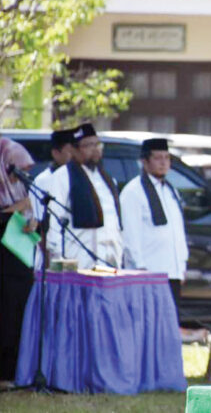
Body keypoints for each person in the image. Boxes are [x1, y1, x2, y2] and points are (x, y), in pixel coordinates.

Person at [0, 118, 38, 381]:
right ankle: (2, 370)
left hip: (21, 259)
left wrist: (32, 217)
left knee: (20, 315)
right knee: (4, 315)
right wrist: (17, 209)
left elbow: (32, 214)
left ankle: (19, 368)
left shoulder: (18, 185)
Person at [120, 138, 188, 314]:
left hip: (171, 272)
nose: (164, 162)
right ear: (144, 161)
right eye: (158, 158)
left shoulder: (171, 190)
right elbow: (129, 235)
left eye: (167, 157)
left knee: (169, 323)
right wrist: (139, 267)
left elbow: (177, 232)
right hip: (147, 272)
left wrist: (181, 266)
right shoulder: (133, 192)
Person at [47, 123, 124, 269]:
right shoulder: (63, 177)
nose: (95, 149)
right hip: (79, 258)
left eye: (97, 144)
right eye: (88, 145)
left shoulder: (107, 179)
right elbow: (55, 220)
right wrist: (58, 258)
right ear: (73, 150)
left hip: (109, 257)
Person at [30, 129, 75, 269]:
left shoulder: (77, 178)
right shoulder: (43, 181)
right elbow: (40, 225)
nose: (73, 156)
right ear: (56, 153)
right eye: (69, 151)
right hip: (52, 257)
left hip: (73, 252)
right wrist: (49, 262)